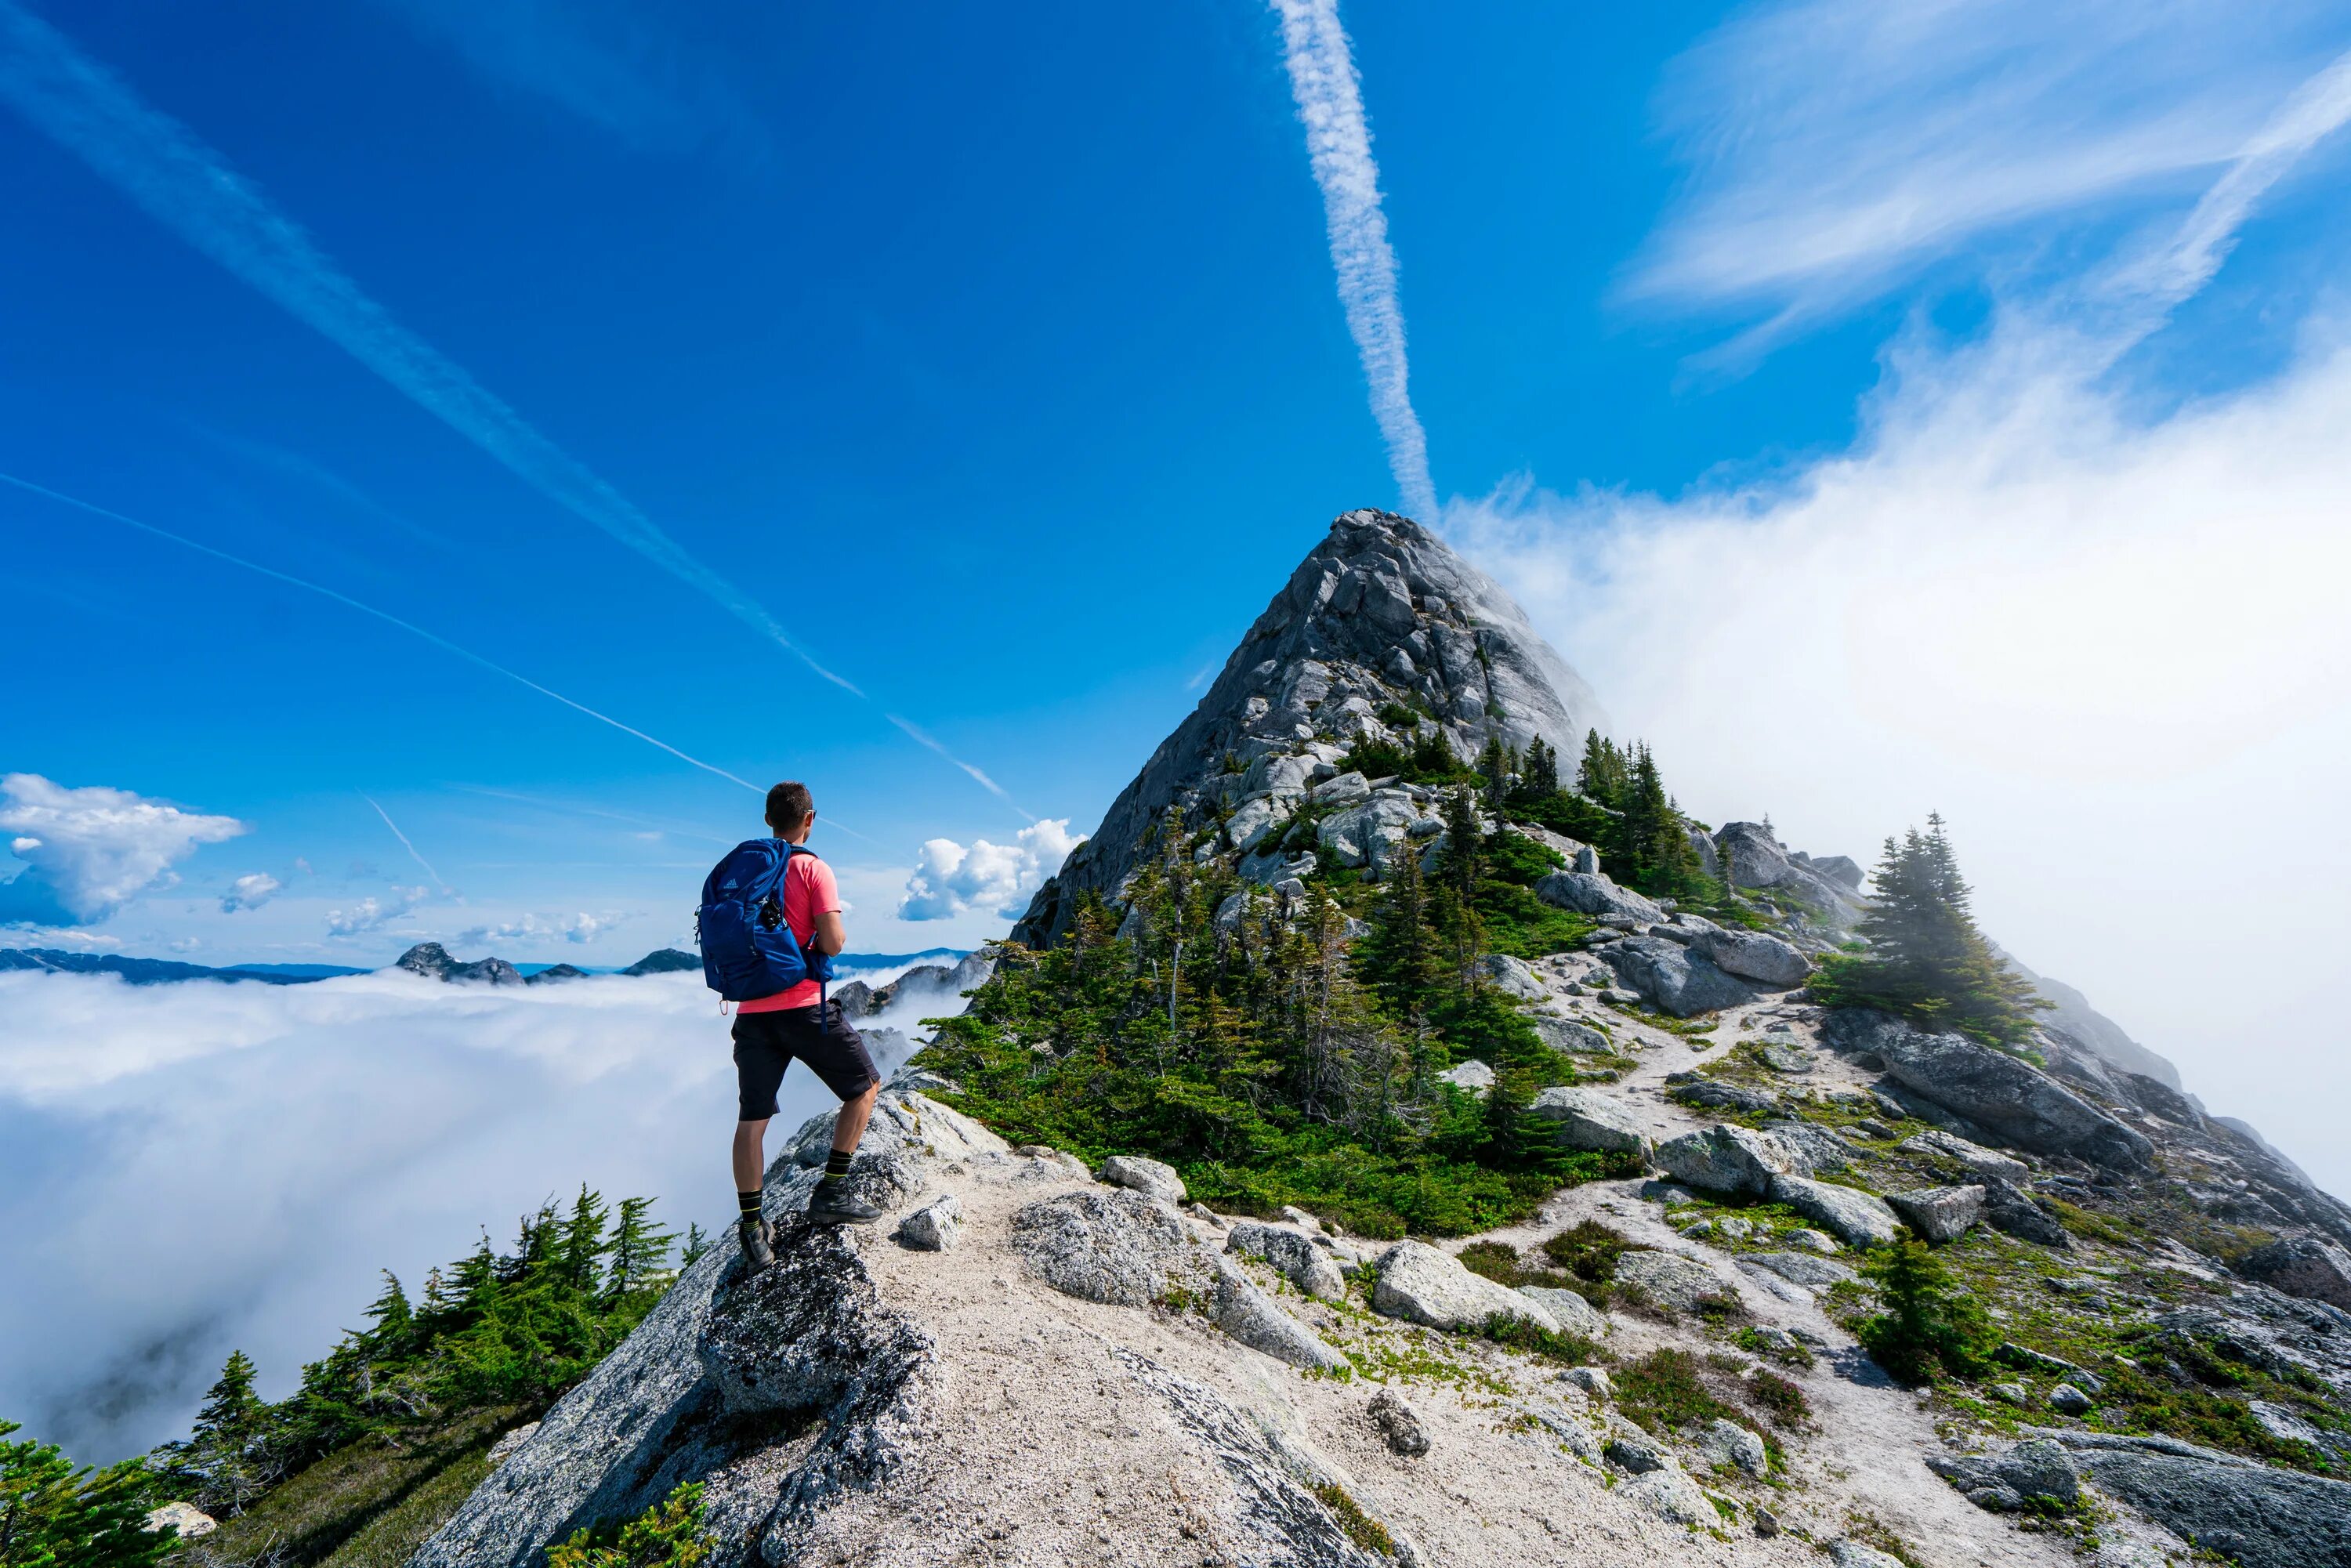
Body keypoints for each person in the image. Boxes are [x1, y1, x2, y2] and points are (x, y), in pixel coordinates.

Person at [731, 780, 883, 1267]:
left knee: (751, 1123)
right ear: (810, 819)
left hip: (752, 1013)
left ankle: (753, 1229)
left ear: (768, 820)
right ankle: (831, 1194)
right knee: (864, 1088)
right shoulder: (813, 868)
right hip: (802, 1007)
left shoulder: (743, 871)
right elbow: (833, 942)